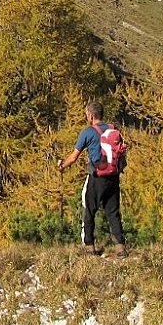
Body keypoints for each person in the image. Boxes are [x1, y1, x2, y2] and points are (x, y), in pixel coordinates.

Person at [56, 101, 126, 258]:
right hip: (113, 176)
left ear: (91, 116)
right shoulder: (113, 129)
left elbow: (74, 157)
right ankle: (120, 247)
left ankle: (89, 246)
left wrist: (62, 166)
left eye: (87, 114)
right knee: (113, 212)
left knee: (89, 210)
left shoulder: (88, 132)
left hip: (97, 177)